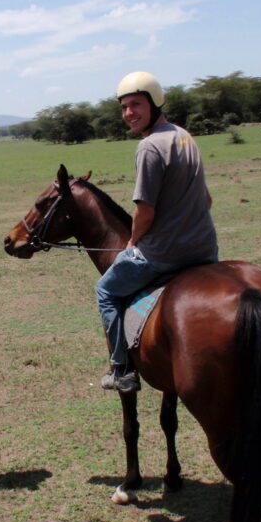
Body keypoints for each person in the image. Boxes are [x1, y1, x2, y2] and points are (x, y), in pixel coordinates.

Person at [97, 72, 218, 393]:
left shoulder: (149, 147)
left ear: (153, 102)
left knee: (106, 291)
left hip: (165, 254)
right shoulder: (184, 136)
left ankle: (121, 370)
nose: (128, 114)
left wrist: (133, 243)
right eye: (123, 107)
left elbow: (145, 212)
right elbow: (206, 200)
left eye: (135, 104)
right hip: (206, 249)